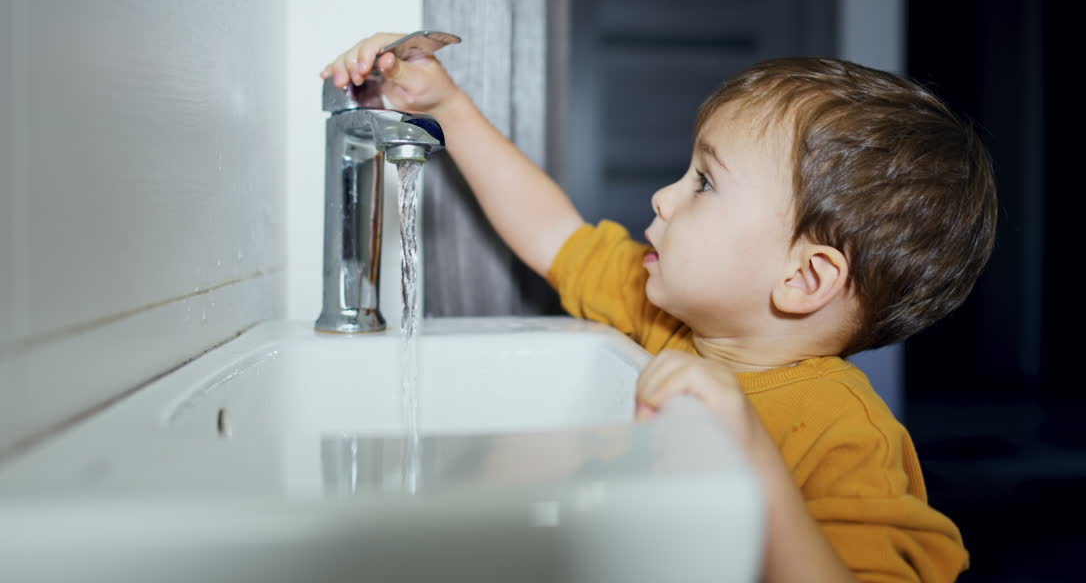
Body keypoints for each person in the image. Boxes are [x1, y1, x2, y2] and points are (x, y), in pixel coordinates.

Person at [322, 33, 997, 583]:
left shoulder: (847, 436)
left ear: (804, 278)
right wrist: (448, 107)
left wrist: (749, 449)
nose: (663, 198)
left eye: (704, 182)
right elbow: (553, 234)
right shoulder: (663, 317)